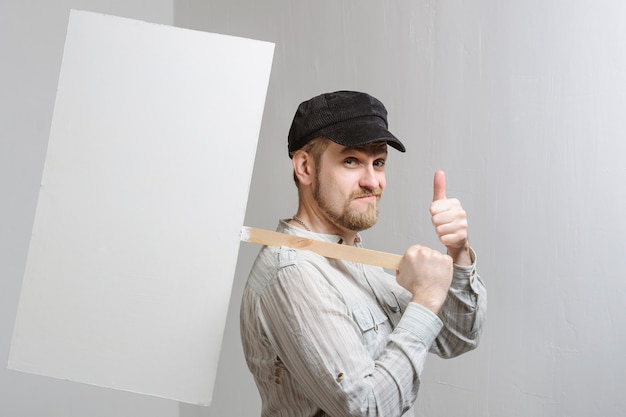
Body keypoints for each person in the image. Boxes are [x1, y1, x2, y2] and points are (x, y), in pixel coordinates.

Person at [240, 90, 486, 417]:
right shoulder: (293, 272)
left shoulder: (350, 255)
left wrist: (458, 253)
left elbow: (458, 337)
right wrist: (425, 298)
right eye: (351, 161)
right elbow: (366, 408)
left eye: (378, 162)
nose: (372, 181)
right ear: (305, 167)